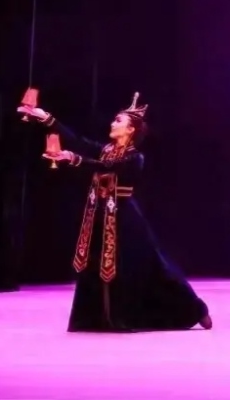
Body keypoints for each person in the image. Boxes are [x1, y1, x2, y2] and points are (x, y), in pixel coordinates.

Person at [18, 93, 212, 332]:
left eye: (118, 121)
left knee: (154, 266)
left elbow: (108, 167)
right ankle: (99, 318)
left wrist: (74, 159)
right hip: (100, 215)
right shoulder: (106, 150)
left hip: (125, 219)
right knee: (95, 264)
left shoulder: (134, 157)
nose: (112, 123)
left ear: (131, 129)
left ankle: (194, 309)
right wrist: (46, 118)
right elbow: (78, 141)